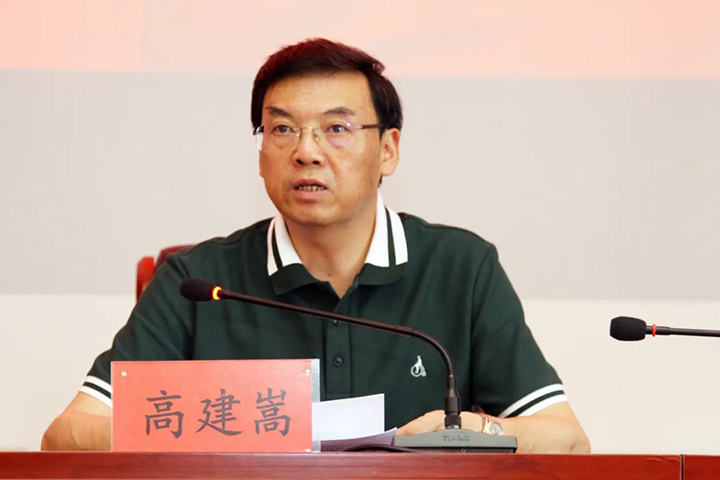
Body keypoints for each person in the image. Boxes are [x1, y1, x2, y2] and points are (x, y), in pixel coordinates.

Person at [42, 38, 590, 453]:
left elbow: (565, 439)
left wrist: (465, 429)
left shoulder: (461, 268)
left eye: (337, 128)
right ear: (261, 154)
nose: (306, 151)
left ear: (388, 150)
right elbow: (67, 435)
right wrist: (244, 429)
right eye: (282, 129)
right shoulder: (198, 281)